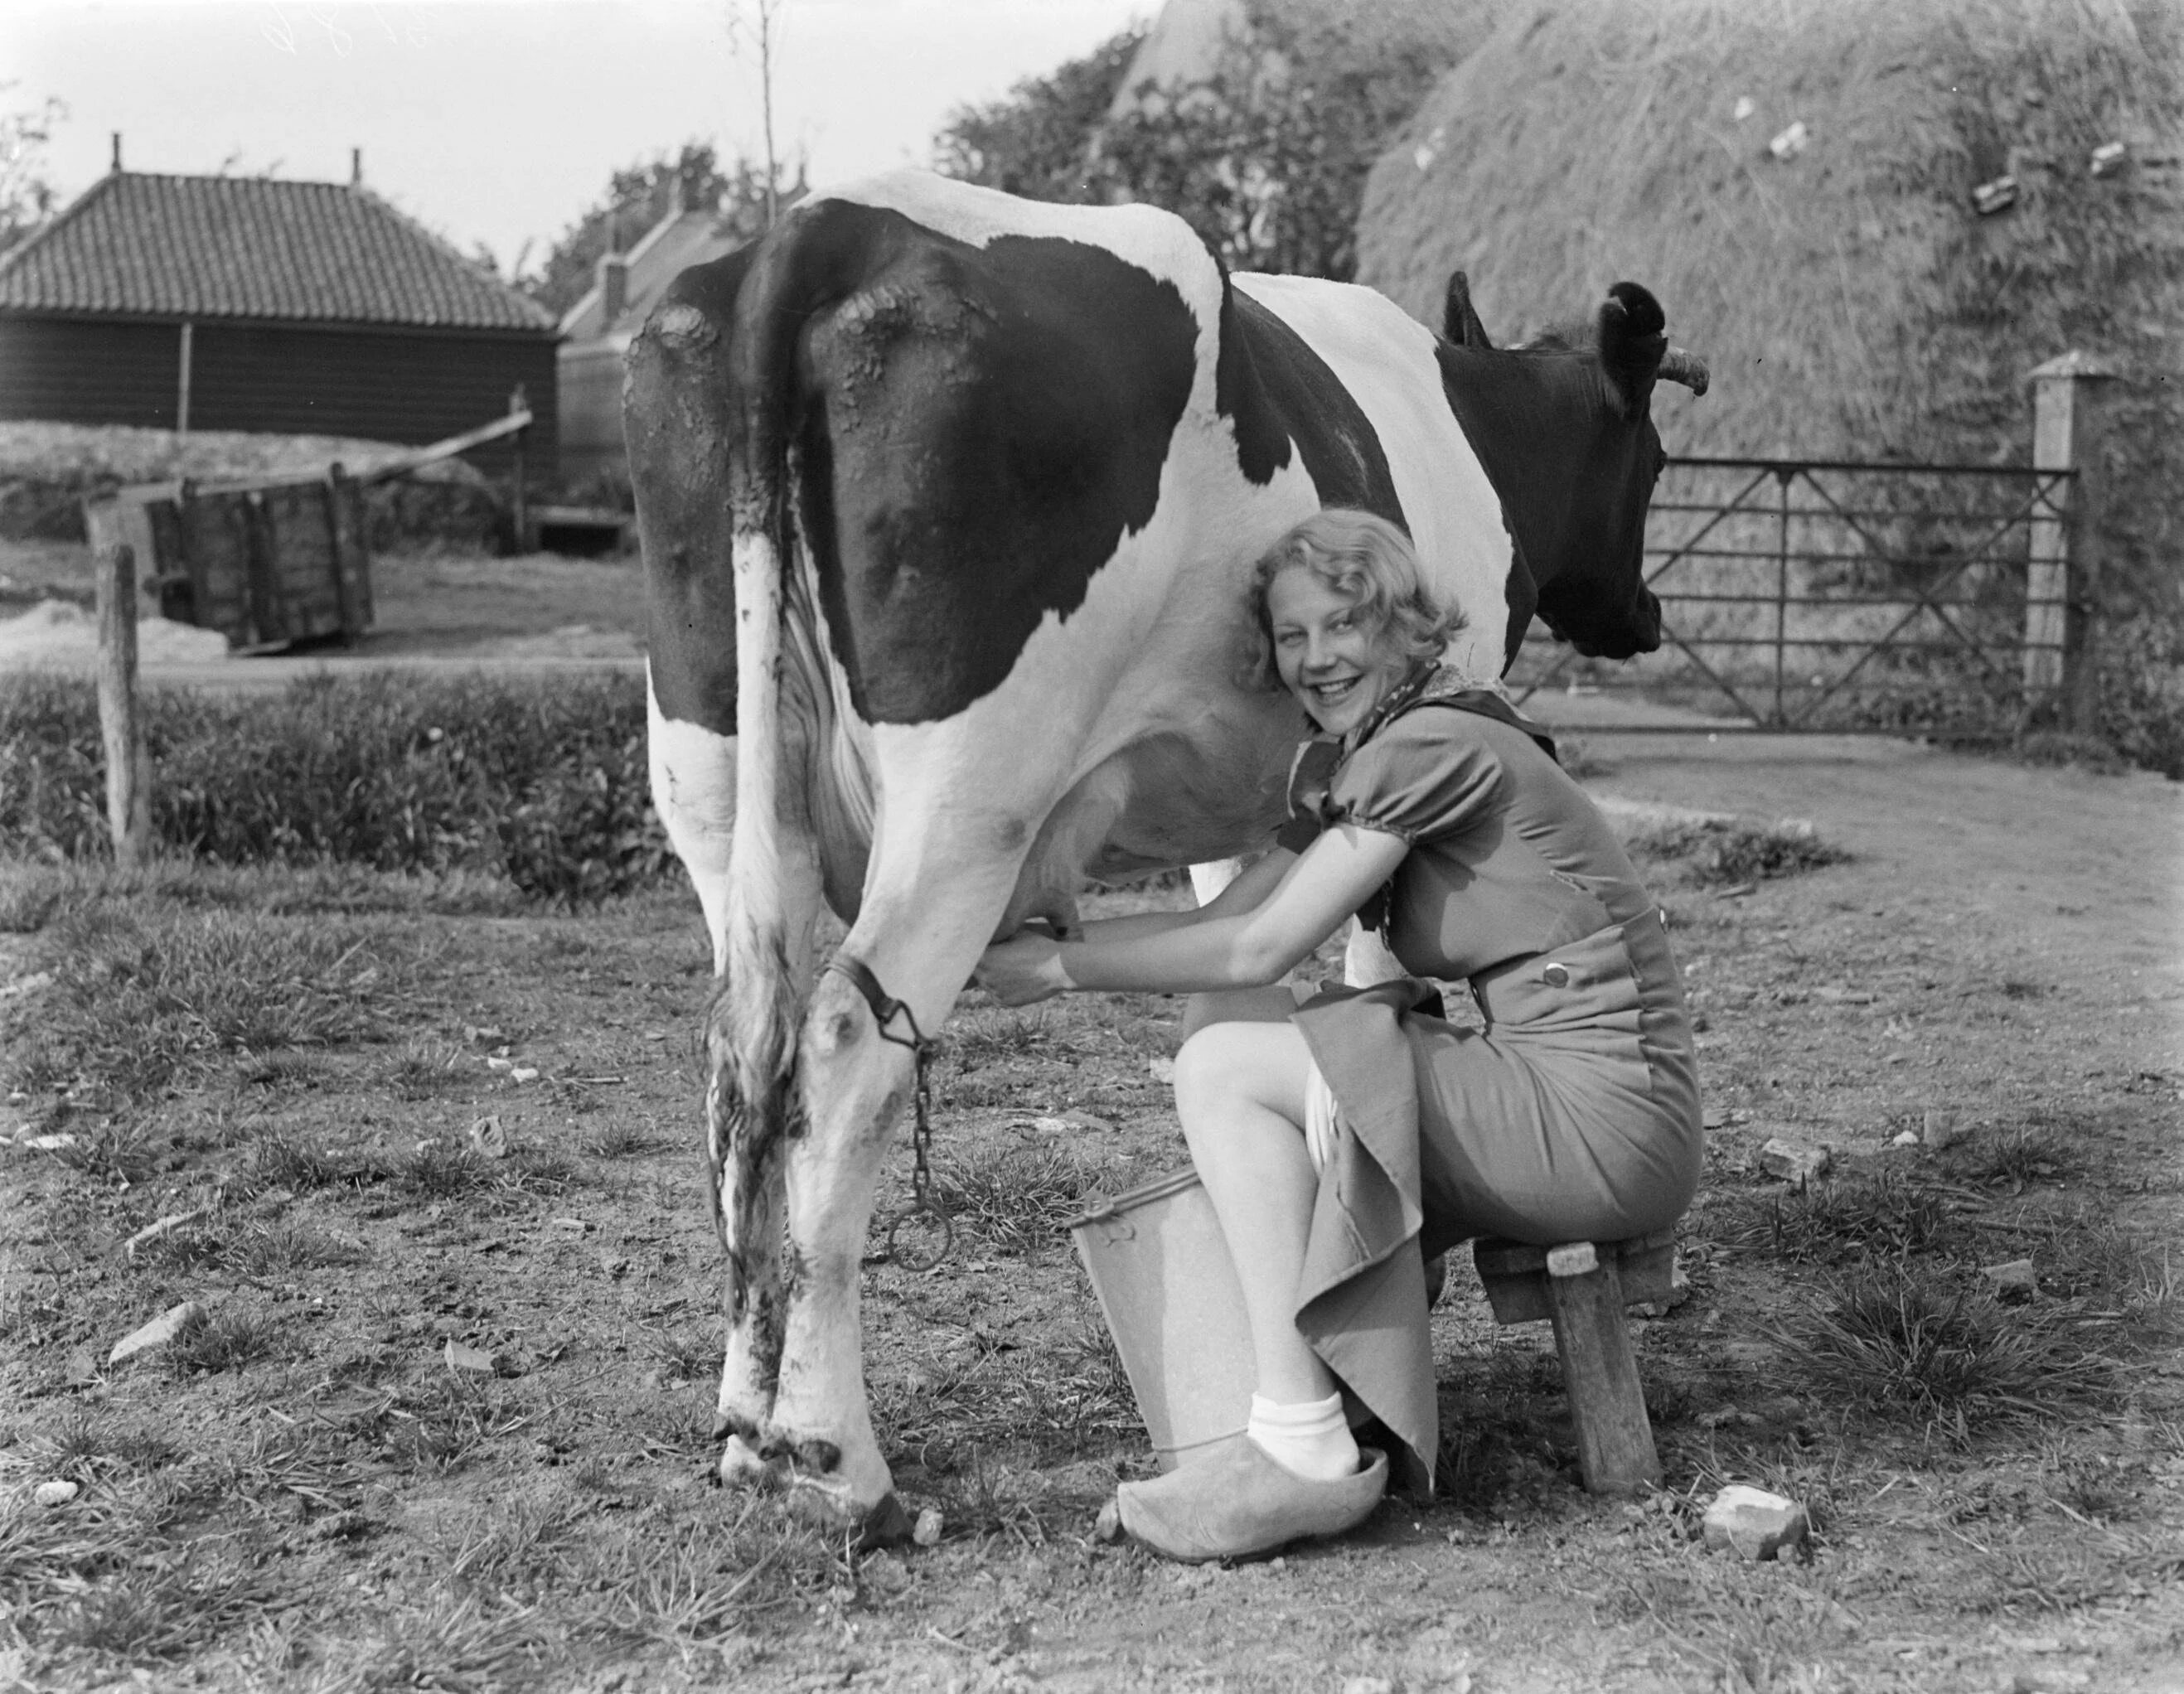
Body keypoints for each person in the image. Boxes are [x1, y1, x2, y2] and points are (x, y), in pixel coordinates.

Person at [975, 509, 1702, 1563]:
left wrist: (1052, 971)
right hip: (1554, 1092)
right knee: (1223, 1028)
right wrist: (1058, 918)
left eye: (1343, 625)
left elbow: (1261, 944)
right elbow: (1227, 928)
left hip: (1603, 1116)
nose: (1316, 658)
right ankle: (1298, 1384)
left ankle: (1300, 1445)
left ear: (1402, 626)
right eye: (1290, 634)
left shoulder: (1433, 744)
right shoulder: (1389, 744)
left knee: (1227, 1062)